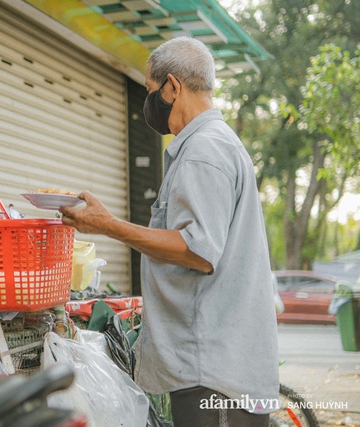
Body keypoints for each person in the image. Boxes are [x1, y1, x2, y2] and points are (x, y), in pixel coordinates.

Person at [60, 37, 279, 426]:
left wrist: (109, 226)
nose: (149, 104)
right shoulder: (217, 145)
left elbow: (197, 251)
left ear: (173, 86)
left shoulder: (203, 152)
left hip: (210, 369)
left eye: (150, 92)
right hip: (222, 364)